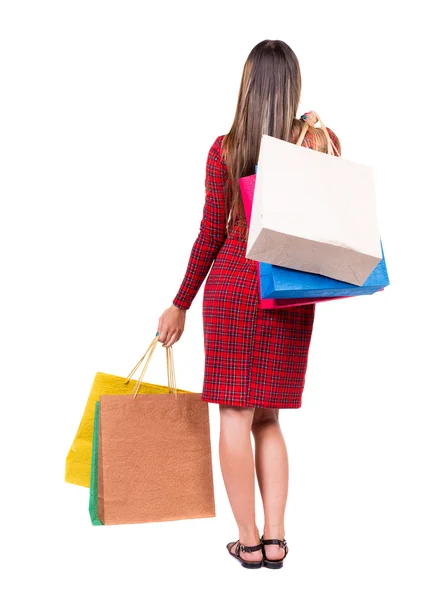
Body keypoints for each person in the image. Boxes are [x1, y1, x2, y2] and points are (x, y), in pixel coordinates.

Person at [157, 39, 341, 570]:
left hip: (234, 290)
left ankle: (249, 539)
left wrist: (180, 303)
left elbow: (211, 234)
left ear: (248, 85)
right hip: (289, 292)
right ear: (293, 86)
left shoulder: (226, 147)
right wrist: (317, 133)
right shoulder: (318, 141)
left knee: (235, 414)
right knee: (268, 418)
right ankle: (278, 538)